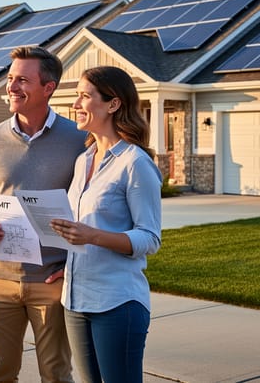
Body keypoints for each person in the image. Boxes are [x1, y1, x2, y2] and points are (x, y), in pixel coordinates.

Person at [0, 46, 88, 383]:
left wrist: (71, 265)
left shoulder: (80, 140)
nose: (11, 87)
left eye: (22, 80)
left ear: (48, 88)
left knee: (56, 375)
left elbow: (91, 209)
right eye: (9, 79)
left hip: (52, 280)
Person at [50, 66, 162, 383]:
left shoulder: (135, 162)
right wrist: (70, 261)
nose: (75, 105)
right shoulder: (83, 159)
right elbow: (80, 225)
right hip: (75, 299)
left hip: (117, 303)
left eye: (85, 96)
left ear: (113, 104)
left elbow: (149, 238)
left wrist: (93, 237)